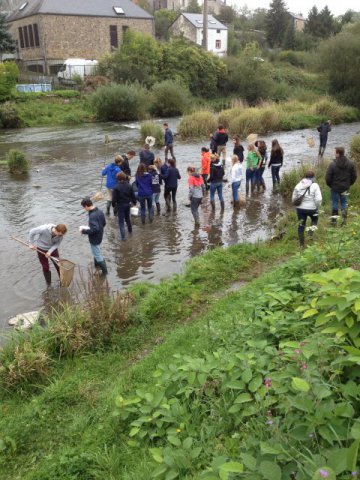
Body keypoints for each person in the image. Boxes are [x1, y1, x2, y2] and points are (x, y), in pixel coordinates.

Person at [325, 146, 357, 225]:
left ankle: (334, 222)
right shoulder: (350, 163)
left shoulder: (332, 164)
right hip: (345, 187)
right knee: (344, 203)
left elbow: (327, 178)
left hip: (335, 188)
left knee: (335, 203)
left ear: (338, 153)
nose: (334, 153)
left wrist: (330, 185)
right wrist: (349, 184)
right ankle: (344, 222)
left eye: (335, 152)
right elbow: (354, 176)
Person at [292, 171, 322, 247]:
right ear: (313, 177)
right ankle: (310, 233)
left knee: (301, 225)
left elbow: (294, 198)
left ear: (305, 177)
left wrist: (296, 205)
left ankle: (301, 244)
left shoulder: (299, 184)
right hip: (312, 208)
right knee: (314, 220)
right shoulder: (315, 185)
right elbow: (318, 199)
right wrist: (317, 206)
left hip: (300, 209)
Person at [80, 198, 107, 275]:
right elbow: (104, 223)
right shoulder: (100, 211)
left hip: (95, 238)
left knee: (97, 254)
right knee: (96, 252)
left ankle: (105, 272)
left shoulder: (92, 216)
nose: (84, 209)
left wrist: (83, 231)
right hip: (100, 235)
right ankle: (97, 266)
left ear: (86, 206)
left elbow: (95, 229)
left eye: (83, 207)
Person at [112, 172, 137, 241]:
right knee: (128, 219)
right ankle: (130, 232)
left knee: (121, 222)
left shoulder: (116, 187)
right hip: (128, 204)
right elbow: (133, 195)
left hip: (120, 205)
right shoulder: (129, 185)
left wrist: (113, 205)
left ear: (118, 178)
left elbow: (114, 199)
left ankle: (123, 238)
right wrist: (134, 202)